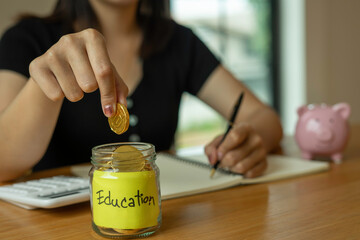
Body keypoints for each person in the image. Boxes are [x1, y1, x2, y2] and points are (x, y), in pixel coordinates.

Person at [0, 0, 283, 182]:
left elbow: (262, 116)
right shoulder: (27, 39)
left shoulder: (179, 42)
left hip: (162, 220)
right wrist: (45, 82)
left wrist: (249, 140)